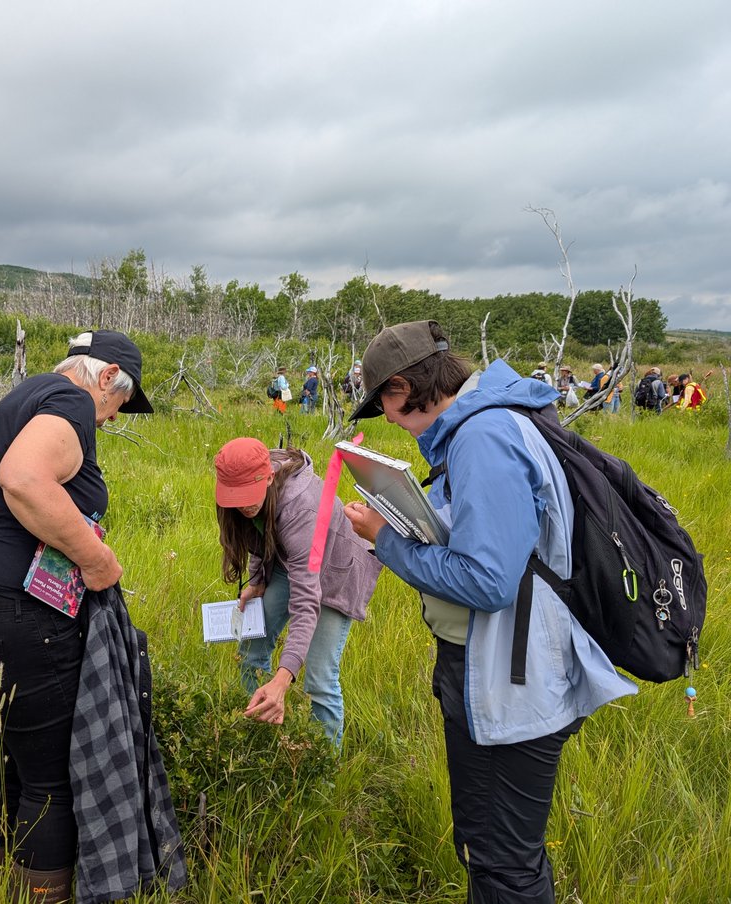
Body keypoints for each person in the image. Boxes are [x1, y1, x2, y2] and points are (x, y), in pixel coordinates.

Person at [341, 321, 637, 904]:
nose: (393, 422)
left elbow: (488, 580)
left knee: (505, 863)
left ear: (403, 388)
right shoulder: (489, 423)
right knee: (491, 848)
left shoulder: (483, 437)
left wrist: (388, 540)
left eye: (387, 408)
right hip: (493, 667)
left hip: (515, 679)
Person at [0, 330, 160, 901]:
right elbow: (23, 479)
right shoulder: (70, 402)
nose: (107, 420)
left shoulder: (23, 396)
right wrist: (96, 557)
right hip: (12, 616)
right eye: (118, 406)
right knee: (49, 777)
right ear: (106, 378)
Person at [213, 438, 380, 747]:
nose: (244, 504)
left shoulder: (303, 507)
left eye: (249, 495)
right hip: (291, 562)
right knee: (253, 650)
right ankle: (260, 735)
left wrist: (283, 677)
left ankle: (323, 773)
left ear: (269, 478)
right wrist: (257, 580)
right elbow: (260, 530)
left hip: (335, 574)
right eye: (235, 497)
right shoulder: (252, 483)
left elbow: (306, 604)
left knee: (319, 678)